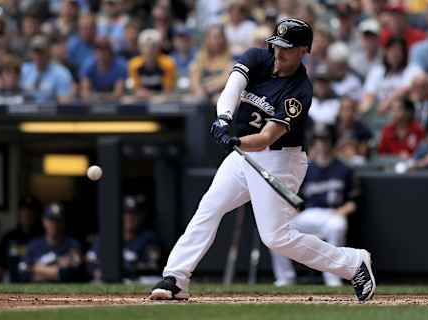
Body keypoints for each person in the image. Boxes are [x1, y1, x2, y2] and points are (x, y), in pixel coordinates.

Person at [148, 18, 375, 302]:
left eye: (287, 48)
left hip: (281, 160)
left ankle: (353, 263)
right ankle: (175, 278)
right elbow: (232, 87)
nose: (279, 52)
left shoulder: (299, 91)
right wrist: (224, 118)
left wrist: (236, 141)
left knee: (275, 238)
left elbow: (267, 137)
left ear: (304, 50)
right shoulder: (258, 58)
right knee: (209, 208)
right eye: (277, 45)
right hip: (243, 157)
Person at [270, 123, 358, 287]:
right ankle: (285, 277)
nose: (322, 144)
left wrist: (341, 212)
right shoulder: (305, 169)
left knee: (337, 227)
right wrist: (292, 212)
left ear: (332, 142)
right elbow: (294, 198)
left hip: (333, 213)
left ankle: (332, 278)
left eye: (325, 139)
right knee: (276, 229)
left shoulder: (344, 168)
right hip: (309, 214)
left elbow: (353, 202)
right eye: (318, 140)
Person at [86, 196, 161, 282]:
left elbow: (152, 265)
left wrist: (123, 270)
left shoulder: (148, 238)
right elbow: (90, 262)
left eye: (134, 214)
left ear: (141, 216)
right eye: (126, 214)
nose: (130, 218)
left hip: (135, 279)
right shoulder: (106, 237)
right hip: (107, 279)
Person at [19, 203, 83, 283]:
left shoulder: (73, 244)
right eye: (51, 220)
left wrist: (36, 268)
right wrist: (57, 268)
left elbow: (72, 273)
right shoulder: (33, 245)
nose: (54, 224)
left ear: (63, 222)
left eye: (57, 220)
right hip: (36, 292)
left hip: (65, 293)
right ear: (44, 221)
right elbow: (24, 273)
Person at [0, 196, 42, 282]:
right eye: (24, 210)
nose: (27, 213)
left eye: (31, 210)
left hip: (39, 284)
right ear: (19, 212)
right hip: (14, 284)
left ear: (37, 213)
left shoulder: (44, 237)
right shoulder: (9, 237)